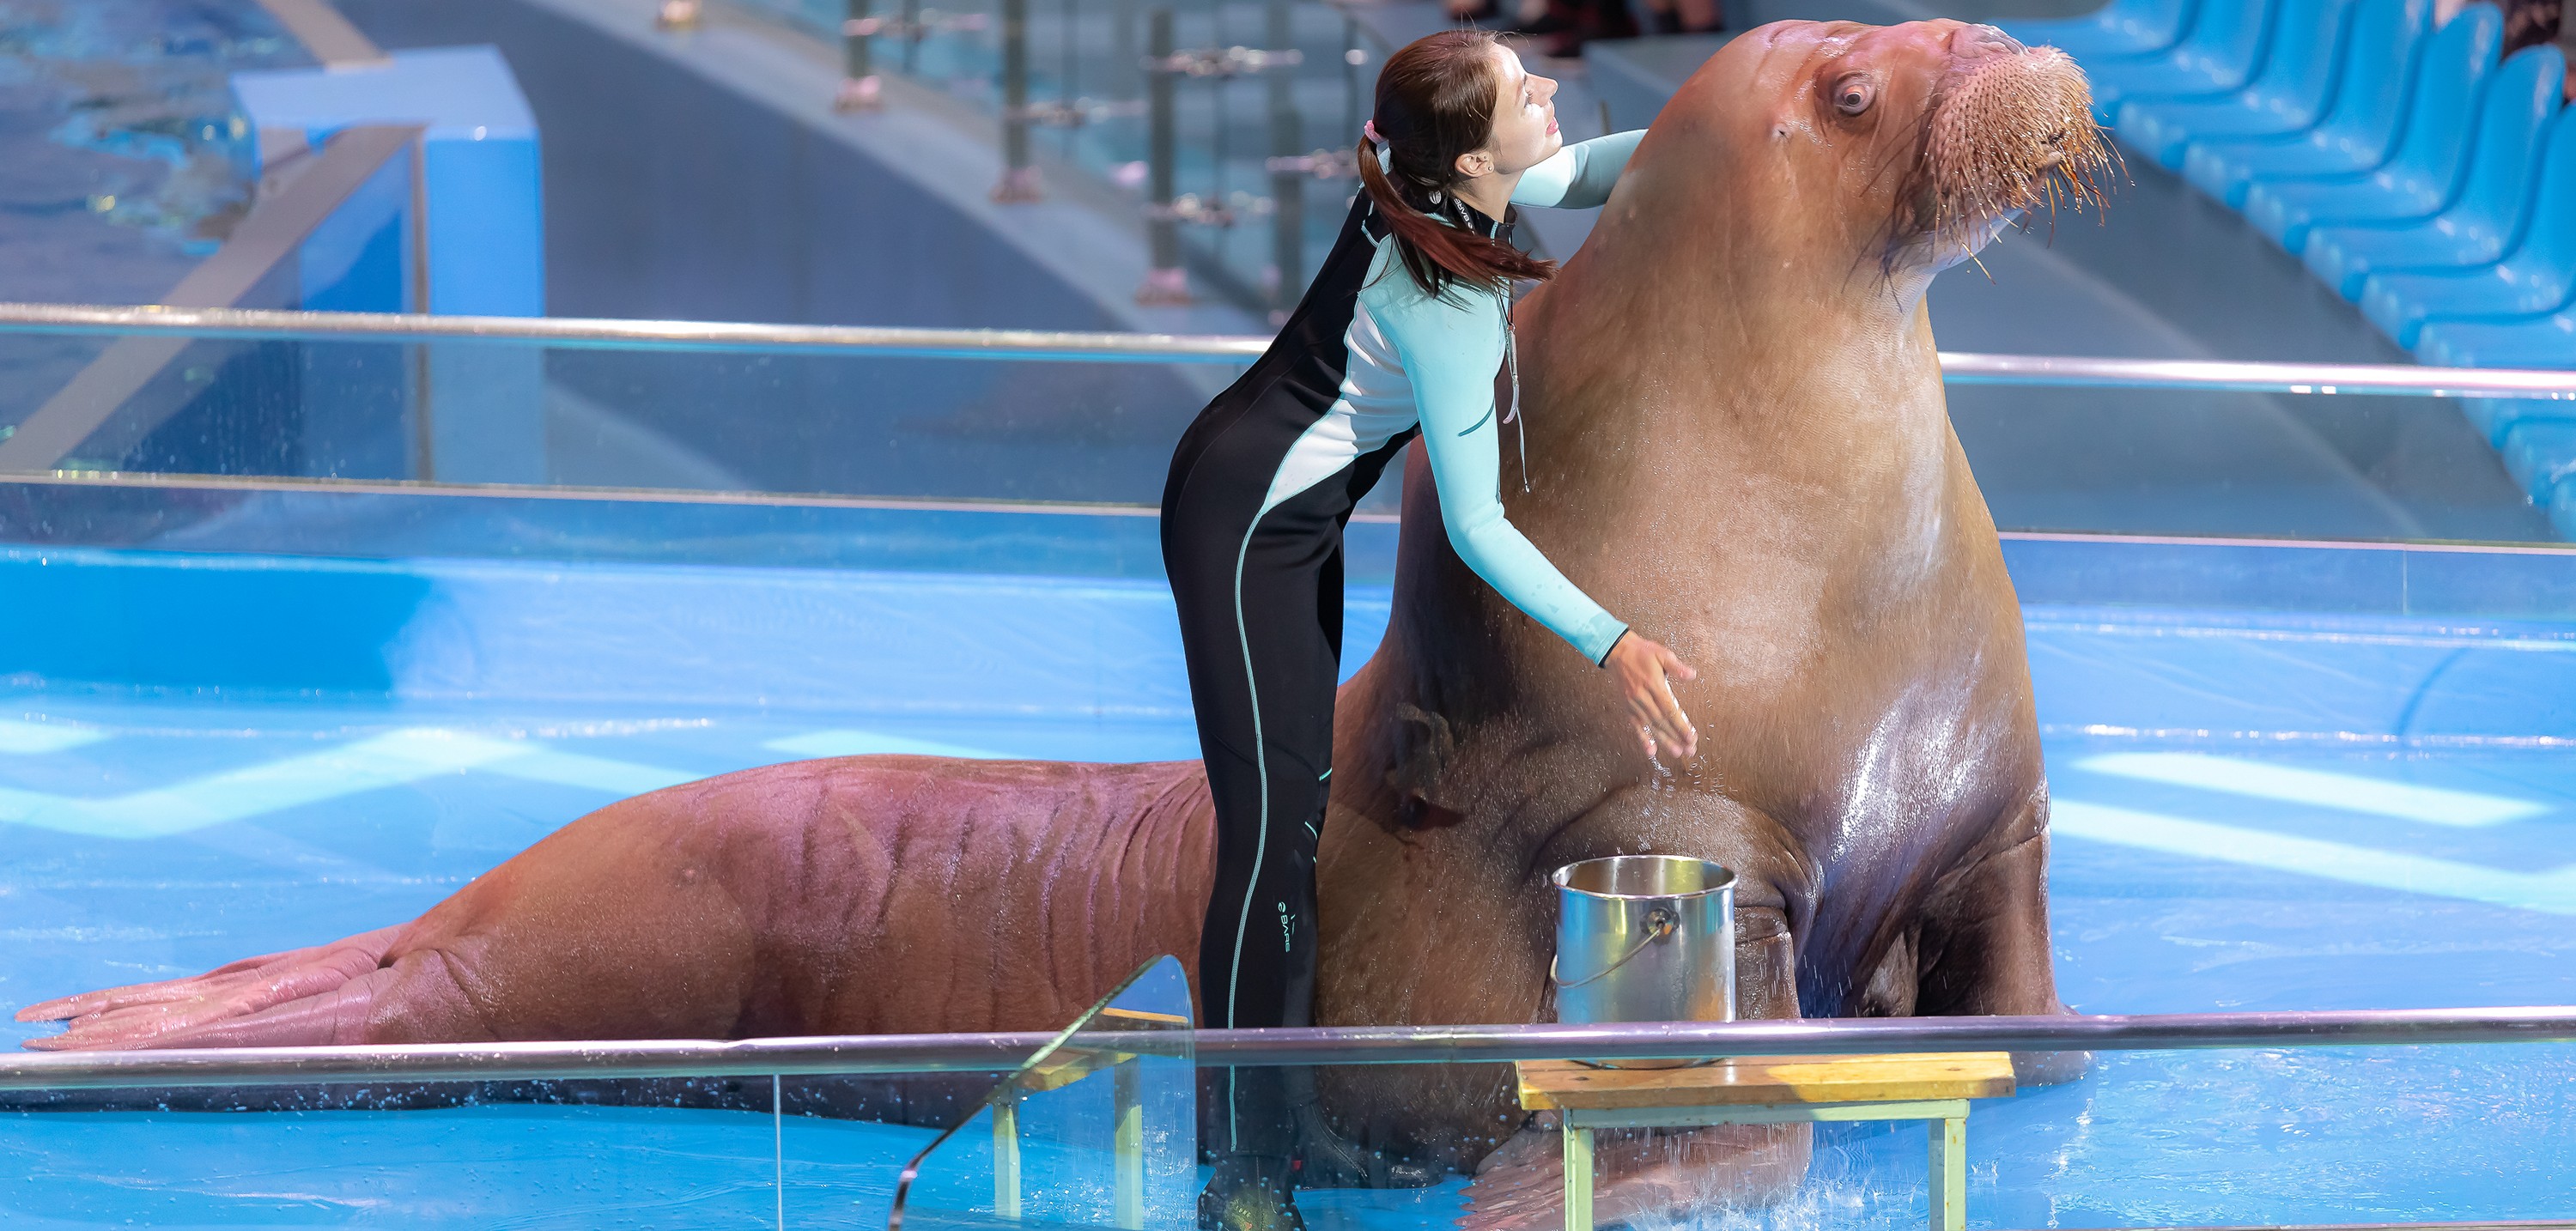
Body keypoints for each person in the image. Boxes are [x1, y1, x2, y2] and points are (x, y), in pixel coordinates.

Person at [1158, 28, 1700, 1231]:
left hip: (1280, 501)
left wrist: (1716, 125)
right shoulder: (1439, 295)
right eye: (1522, 89)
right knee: (1269, 846)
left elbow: (1585, 171)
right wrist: (1614, 642)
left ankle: (1281, 1121)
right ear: (1466, 157)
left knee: (1292, 827)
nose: (1547, 87)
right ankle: (1244, 1178)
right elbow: (1477, 527)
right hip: (1245, 526)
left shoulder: (1443, 183)